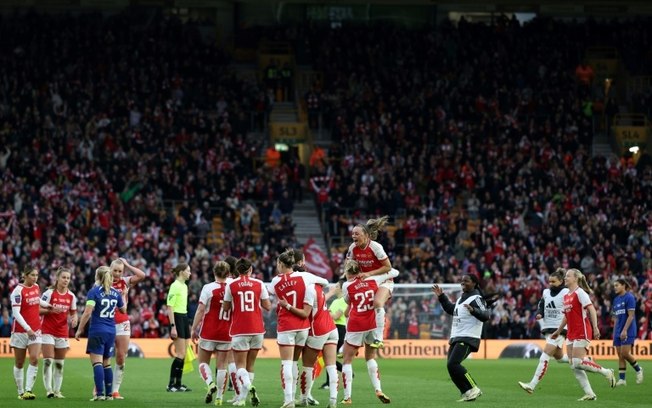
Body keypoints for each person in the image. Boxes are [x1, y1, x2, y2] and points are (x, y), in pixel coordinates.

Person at [268, 249, 329, 408]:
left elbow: (270, 292)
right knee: (298, 362)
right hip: (303, 326)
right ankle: (302, 396)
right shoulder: (305, 277)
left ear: (281, 264)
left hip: (286, 325)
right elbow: (325, 282)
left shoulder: (275, 281)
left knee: (288, 363)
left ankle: (289, 399)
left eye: (277, 264)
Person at [551, 268, 616, 401]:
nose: (565, 278)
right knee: (573, 364)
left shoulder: (580, 293)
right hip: (571, 332)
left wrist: (595, 326)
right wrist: (558, 331)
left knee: (577, 362)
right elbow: (566, 317)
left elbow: (591, 309)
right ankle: (590, 393)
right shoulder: (566, 296)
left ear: (576, 279)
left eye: (568, 276)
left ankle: (607, 372)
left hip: (582, 330)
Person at [341, 259, 397, 405]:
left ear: (348, 272)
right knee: (370, 357)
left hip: (356, 324)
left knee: (347, 360)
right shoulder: (373, 280)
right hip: (372, 324)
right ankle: (378, 389)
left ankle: (347, 397)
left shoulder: (346, 285)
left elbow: (348, 302)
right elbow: (394, 272)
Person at [279, 279, 340, 408]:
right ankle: (333, 400)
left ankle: (304, 398)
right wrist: (332, 292)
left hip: (318, 329)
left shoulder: (308, 289)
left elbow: (305, 313)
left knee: (308, 366)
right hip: (331, 328)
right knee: (331, 366)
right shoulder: (318, 287)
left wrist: (288, 306)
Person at [432, 274, 490, 402]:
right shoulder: (460, 299)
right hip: (457, 336)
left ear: (474, 283)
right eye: (462, 280)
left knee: (454, 364)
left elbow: (486, 315)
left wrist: (474, 310)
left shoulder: (477, 298)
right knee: (450, 366)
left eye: (466, 281)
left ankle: (474, 387)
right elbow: (451, 309)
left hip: (468, 337)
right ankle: (467, 392)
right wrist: (442, 297)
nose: (463, 282)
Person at [222, 258, 272, 407]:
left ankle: (247, 389)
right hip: (257, 329)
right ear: (250, 270)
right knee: (250, 365)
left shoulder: (231, 285)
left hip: (239, 329)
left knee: (240, 366)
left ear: (237, 270)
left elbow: (225, 307)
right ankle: (242, 399)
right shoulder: (259, 283)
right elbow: (268, 306)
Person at [75, 265, 126, 401]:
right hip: (111, 331)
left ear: (97, 277)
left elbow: (87, 312)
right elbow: (123, 310)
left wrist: (80, 329)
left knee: (97, 363)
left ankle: (99, 394)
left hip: (97, 330)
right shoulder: (116, 293)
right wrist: (124, 296)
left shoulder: (94, 292)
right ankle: (109, 394)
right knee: (107, 363)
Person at [346, 215, 397, 349]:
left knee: (378, 303)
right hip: (367, 281)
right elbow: (349, 265)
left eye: (357, 233)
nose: (354, 236)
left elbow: (388, 267)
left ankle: (379, 338)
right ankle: (352, 343)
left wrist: (369, 273)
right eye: (352, 234)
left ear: (366, 235)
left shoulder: (375, 247)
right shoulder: (353, 248)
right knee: (356, 309)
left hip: (384, 280)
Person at [518, 268, 569, 393]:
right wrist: (540, 313)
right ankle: (586, 361)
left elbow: (569, 309)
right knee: (560, 358)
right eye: (549, 282)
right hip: (548, 327)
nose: (550, 284)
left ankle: (532, 384)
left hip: (559, 329)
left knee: (545, 355)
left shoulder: (566, 292)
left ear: (561, 281)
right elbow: (541, 304)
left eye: (553, 282)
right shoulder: (546, 292)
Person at [190, 260, 232, 405]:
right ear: (228, 273)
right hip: (227, 332)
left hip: (209, 331)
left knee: (202, 362)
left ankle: (210, 384)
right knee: (222, 366)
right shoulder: (232, 287)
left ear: (214, 272)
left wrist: (193, 328)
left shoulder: (208, 288)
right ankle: (220, 397)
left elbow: (201, 310)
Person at [110, 257, 146, 399]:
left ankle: (115, 390)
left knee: (121, 356)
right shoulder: (103, 282)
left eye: (120, 271)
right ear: (110, 270)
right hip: (107, 322)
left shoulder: (124, 282)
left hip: (122, 322)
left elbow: (142, 275)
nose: (118, 273)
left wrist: (126, 264)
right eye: (115, 270)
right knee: (105, 357)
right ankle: (99, 387)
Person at [40, 266, 78, 398]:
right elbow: (37, 309)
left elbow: (74, 313)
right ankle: (49, 390)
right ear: (57, 278)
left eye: (68, 278)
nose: (66, 280)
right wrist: (50, 310)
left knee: (59, 364)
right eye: (63, 277)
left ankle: (57, 391)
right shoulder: (49, 293)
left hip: (62, 332)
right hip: (47, 331)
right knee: (48, 361)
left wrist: (74, 320)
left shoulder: (71, 296)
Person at [11, 266, 45, 400]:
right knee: (19, 362)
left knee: (35, 358)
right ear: (25, 276)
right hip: (20, 331)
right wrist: (27, 328)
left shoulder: (36, 287)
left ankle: (28, 390)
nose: (35, 278)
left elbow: (37, 300)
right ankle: (20, 392)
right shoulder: (17, 291)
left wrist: (47, 305)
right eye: (32, 275)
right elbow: (16, 313)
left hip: (36, 329)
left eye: (36, 275)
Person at [166, 263, 193, 392]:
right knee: (180, 353)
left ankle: (178, 384)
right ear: (181, 272)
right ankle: (171, 384)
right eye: (188, 271)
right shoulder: (174, 286)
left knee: (183, 353)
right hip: (176, 318)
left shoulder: (184, 286)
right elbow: (169, 307)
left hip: (184, 317)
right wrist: (173, 326)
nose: (190, 273)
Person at [612, 278, 644, 385]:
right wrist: (615, 333)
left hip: (628, 329)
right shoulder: (616, 300)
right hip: (618, 330)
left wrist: (625, 330)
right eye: (614, 286)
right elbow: (615, 318)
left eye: (617, 285)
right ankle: (622, 379)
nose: (615, 287)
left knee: (625, 353)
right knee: (620, 355)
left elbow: (631, 316)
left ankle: (639, 370)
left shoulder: (629, 297)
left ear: (623, 286)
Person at [320, 279, 347, 390]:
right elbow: (329, 314)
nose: (333, 287)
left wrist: (328, 312)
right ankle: (331, 380)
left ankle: (331, 381)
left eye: (336, 285)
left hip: (340, 329)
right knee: (328, 356)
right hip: (332, 328)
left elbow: (335, 316)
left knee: (329, 357)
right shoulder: (335, 301)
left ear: (341, 288)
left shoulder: (344, 301)